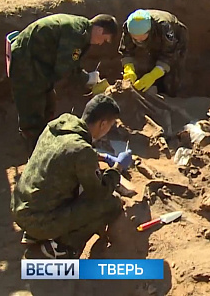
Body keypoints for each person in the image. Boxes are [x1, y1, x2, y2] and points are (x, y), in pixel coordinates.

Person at [11, 94, 133, 259]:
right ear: (103, 124)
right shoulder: (82, 152)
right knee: (111, 204)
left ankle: (35, 234)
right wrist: (117, 168)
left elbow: (64, 152)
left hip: (22, 206)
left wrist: (102, 157)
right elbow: (99, 193)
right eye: (110, 126)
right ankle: (60, 247)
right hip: (39, 219)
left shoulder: (57, 126)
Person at [9, 13, 118, 151]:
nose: (100, 43)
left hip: (39, 65)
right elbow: (64, 69)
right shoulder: (75, 34)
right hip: (26, 66)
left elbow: (72, 62)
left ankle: (44, 143)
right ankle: (35, 154)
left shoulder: (81, 29)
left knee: (49, 106)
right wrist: (87, 79)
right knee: (33, 116)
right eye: (104, 39)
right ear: (100, 30)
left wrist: (86, 76)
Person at [119, 9, 188, 97]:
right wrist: (129, 69)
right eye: (135, 38)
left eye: (141, 38)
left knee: (172, 70)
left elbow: (170, 54)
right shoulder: (129, 26)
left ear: (149, 31)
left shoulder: (164, 27)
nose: (138, 41)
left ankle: (172, 95)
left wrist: (153, 75)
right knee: (150, 62)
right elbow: (126, 50)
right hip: (154, 40)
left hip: (176, 41)